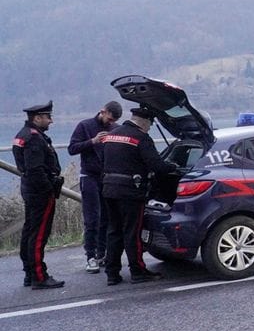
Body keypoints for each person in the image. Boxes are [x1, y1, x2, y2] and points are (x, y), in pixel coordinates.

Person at [101, 107, 179, 285]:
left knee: (113, 231)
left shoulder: (112, 134)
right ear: (144, 122)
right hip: (130, 192)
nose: (150, 128)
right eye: (150, 124)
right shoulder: (141, 137)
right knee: (132, 232)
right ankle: (138, 271)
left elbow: (102, 162)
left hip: (108, 189)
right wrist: (173, 167)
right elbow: (157, 165)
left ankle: (112, 274)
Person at [13, 101, 65, 289]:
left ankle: (29, 272)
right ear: (37, 118)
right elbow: (35, 170)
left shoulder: (23, 134)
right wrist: (49, 189)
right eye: (47, 117)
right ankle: (39, 276)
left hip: (30, 190)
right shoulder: (34, 138)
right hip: (40, 193)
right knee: (38, 234)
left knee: (29, 231)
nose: (50, 121)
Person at [68, 100, 123, 274]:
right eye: (110, 119)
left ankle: (102, 253)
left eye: (114, 121)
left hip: (107, 177)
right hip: (89, 176)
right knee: (92, 218)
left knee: (106, 218)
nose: (110, 123)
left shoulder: (115, 128)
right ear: (103, 111)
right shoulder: (84, 126)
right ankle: (90, 256)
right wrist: (92, 141)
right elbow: (72, 148)